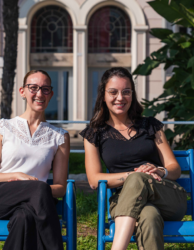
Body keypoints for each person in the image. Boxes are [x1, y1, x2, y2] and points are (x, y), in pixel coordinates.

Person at [80, 67, 187, 250]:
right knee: (149, 216)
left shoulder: (151, 126)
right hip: (124, 201)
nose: (120, 98)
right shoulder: (94, 133)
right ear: (103, 95)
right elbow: (94, 179)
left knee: (138, 180)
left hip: (166, 196)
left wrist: (159, 170)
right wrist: (134, 175)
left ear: (132, 95)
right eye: (113, 92)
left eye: (126, 92)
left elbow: (174, 169)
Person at [0, 70, 70, 250]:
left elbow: (60, 188)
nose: (39, 94)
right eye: (33, 88)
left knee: (24, 218)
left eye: (45, 89)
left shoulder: (60, 136)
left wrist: (38, 188)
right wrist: (18, 176)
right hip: (0, 199)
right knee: (38, 189)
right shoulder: (2, 127)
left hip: (36, 204)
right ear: (22, 91)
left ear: (51, 94)